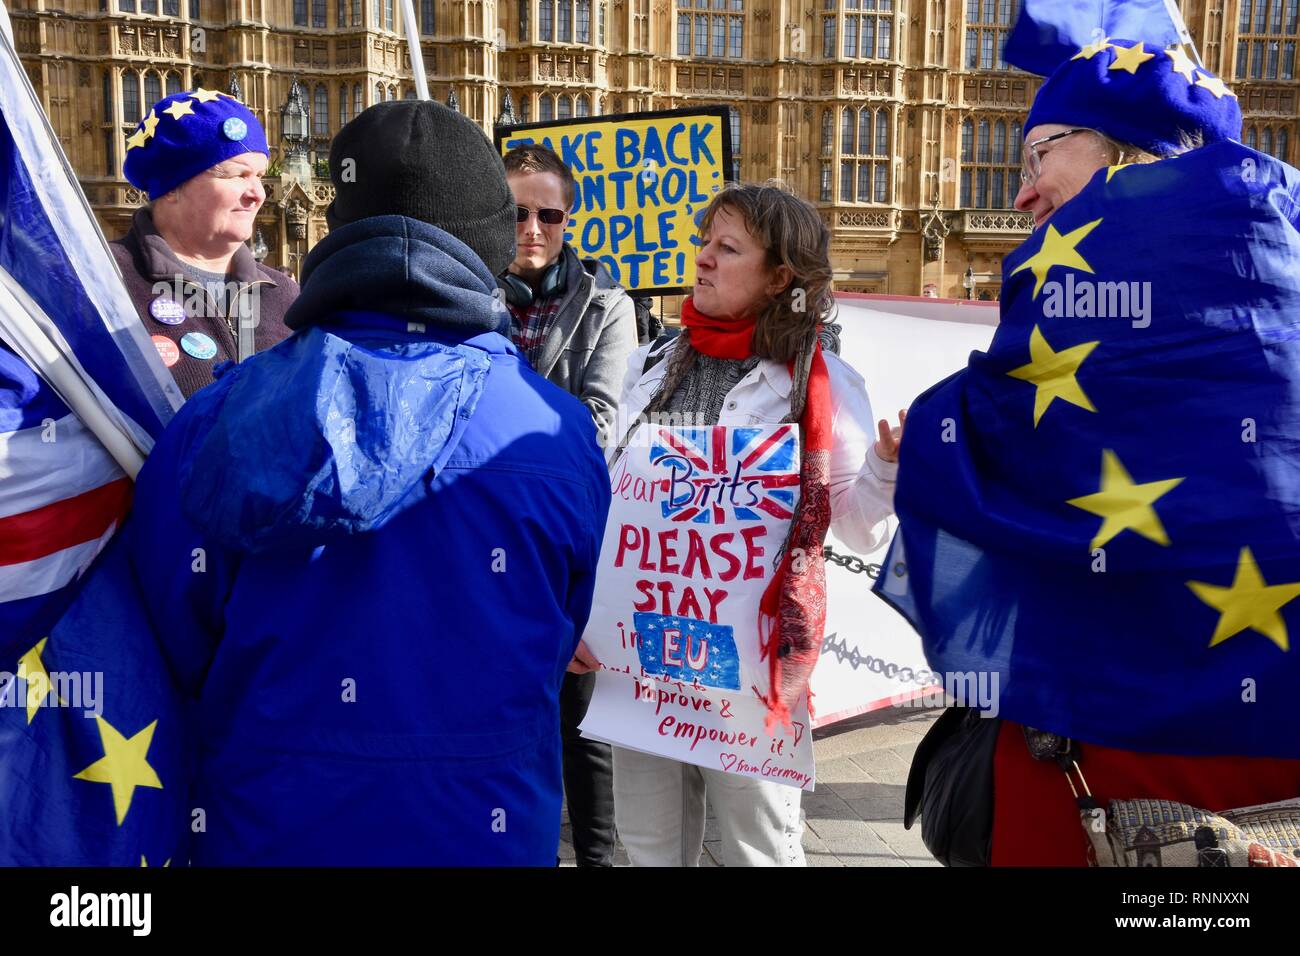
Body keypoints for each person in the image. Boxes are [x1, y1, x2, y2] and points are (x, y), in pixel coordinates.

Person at [110, 100, 612, 864]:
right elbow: (559, 627)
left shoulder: (216, 419)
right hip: (486, 825)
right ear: (485, 243)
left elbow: (176, 632)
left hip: (272, 824)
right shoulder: (560, 431)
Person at [892, 39, 1300, 866]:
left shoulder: (1087, 285)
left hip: (1104, 761)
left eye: (1043, 151)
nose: (1023, 186)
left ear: (1122, 153)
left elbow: (973, 432)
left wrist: (924, 441)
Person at [602, 181, 904, 866]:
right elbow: (611, 508)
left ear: (780, 277)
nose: (703, 258)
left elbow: (857, 530)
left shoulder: (822, 379)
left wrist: (885, 464)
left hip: (751, 668)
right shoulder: (649, 366)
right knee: (645, 848)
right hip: (643, 652)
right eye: (704, 242)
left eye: (727, 248)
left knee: (756, 850)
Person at [498, 143, 637, 867]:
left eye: (548, 215)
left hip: (568, 545)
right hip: (486, 549)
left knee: (587, 739)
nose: (533, 228)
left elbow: (601, 424)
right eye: (518, 212)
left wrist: (499, 430)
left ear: (567, 219)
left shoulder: (609, 308)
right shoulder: (469, 300)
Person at [112, 89, 296, 399]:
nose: (258, 194)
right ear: (172, 187)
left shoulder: (285, 295)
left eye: (260, 177)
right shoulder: (106, 280)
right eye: (237, 175)